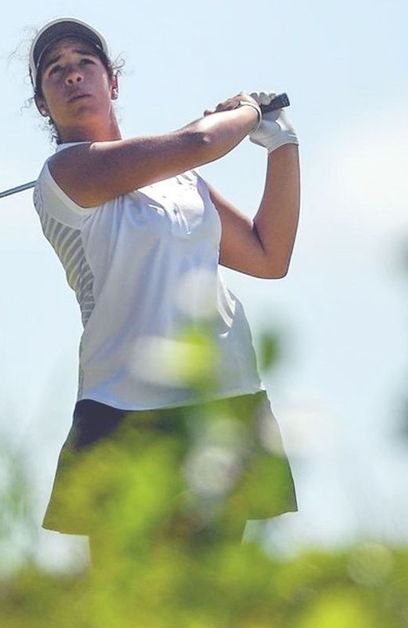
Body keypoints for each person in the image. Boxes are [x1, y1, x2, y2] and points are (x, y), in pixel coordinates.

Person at [28, 18, 300, 559]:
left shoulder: (182, 179)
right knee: (133, 605)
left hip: (220, 402)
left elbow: (270, 256)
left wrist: (281, 144)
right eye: (55, 71)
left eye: (85, 63)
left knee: (217, 601)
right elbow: (199, 140)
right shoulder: (64, 175)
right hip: (124, 409)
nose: (73, 76)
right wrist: (248, 112)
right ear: (42, 105)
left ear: (113, 82)